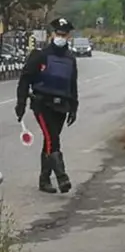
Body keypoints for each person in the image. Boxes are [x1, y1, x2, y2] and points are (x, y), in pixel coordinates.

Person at [15, 17, 78, 194]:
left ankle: (44, 180)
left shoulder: (70, 59)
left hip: (62, 106)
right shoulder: (40, 55)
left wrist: (74, 108)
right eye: (58, 33)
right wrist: (21, 103)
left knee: (50, 140)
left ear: (69, 36)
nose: (61, 37)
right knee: (53, 139)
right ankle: (62, 177)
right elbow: (25, 79)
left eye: (64, 34)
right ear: (52, 34)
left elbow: (73, 85)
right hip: (42, 104)